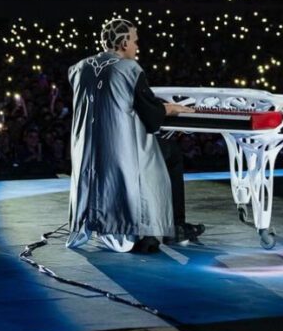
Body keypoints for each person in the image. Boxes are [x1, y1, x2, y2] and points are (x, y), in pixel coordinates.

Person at [66, 18, 201, 253]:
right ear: (124, 42)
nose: (137, 47)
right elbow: (151, 114)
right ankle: (173, 227)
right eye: (136, 42)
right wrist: (171, 108)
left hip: (86, 153)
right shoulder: (130, 69)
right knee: (171, 155)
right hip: (120, 152)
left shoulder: (79, 68)